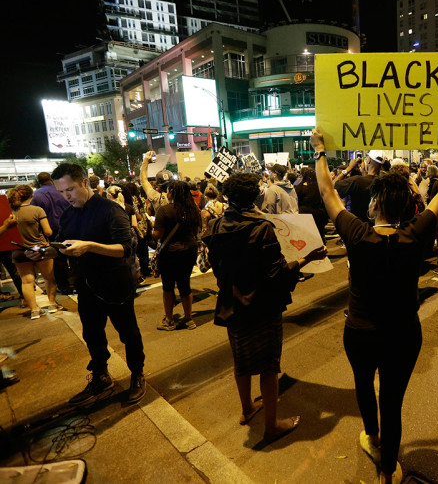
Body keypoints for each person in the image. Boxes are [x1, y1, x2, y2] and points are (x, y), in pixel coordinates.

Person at [311, 127, 438, 484]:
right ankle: (386, 474)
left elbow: (327, 192)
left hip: (360, 332)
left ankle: (372, 437)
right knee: (392, 402)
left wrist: (319, 151)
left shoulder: (358, 234)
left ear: (374, 204)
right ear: (408, 207)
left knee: (364, 386)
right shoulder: (417, 232)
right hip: (403, 334)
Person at [202, 172, 326, 442]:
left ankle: (247, 409)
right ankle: (272, 426)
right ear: (256, 196)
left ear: (227, 196)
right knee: (269, 367)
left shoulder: (214, 226)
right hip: (261, 305)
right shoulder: (261, 227)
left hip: (231, 303)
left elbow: (215, 268)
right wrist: (308, 258)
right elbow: (277, 273)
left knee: (241, 361)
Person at [40, 163, 145, 405]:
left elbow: (125, 249)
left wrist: (89, 246)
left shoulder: (111, 210)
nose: (67, 196)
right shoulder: (68, 214)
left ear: (85, 183)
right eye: (61, 192)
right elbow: (62, 246)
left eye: (71, 190)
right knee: (92, 334)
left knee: (128, 333)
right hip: (86, 284)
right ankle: (100, 375)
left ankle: (137, 374)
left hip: (115, 284)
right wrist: (47, 253)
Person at [153, 180, 202, 331]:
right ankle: (189, 319)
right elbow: (196, 231)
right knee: (185, 285)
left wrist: (151, 232)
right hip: (188, 251)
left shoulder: (164, 210)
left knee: (168, 286)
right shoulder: (193, 210)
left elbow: (157, 234)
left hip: (170, 253)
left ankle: (169, 320)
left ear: (173, 192)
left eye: (168, 190)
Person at [8, 185, 58, 319]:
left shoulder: (11, 212)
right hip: (39, 248)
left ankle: (34, 310)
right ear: (32, 195)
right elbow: (48, 231)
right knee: (49, 277)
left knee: (27, 281)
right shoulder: (37, 210)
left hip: (19, 250)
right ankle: (52, 304)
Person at [31, 172, 73, 293]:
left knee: (59, 259)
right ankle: (76, 281)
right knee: (75, 255)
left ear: (39, 181)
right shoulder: (61, 190)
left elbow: (36, 214)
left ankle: (64, 286)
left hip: (51, 230)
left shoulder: (37, 195)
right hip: (70, 226)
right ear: (50, 179)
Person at [335, 153, 385, 222]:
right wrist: (364, 174)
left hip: (358, 224)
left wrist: (349, 167)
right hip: (377, 224)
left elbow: (334, 185)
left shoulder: (357, 181)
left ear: (369, 160)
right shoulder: (385, 182)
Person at [295, 167, 329, 242]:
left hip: (304, 214)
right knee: (319, 234)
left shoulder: (300, 187)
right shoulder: (320, 187)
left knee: (306, 236)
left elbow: (296, 200)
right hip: (318, 214)